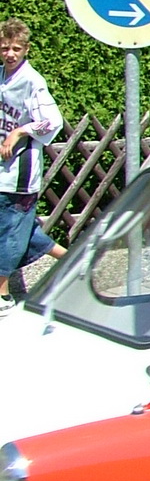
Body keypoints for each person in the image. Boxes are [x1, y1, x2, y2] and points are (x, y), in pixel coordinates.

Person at [0, 20, 64, 311]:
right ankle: (76, 260)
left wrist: (20, 132)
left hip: (20, 175)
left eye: (16, 48)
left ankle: (2, 295)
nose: (10, 54)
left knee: (10, 231)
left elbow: (53, 121)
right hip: (2, 170)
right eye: (4, 48)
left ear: (26, 49)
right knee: (19, 230)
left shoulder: (32, 81)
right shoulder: (2, 76)